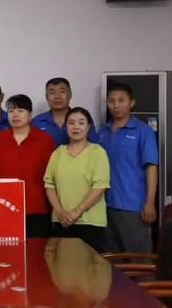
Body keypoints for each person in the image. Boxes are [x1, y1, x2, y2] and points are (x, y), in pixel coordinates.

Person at [98, 84, 158, 255]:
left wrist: (149, 203)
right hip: (104, 206)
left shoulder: (143, 131)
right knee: (111, 261)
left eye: (121, 100)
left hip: (133, 207)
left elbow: (151, 167)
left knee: (138, 260)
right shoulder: (102, 131)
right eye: (111, 101)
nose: (116, 105)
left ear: (131, 103)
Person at [44, 107, 110, 252]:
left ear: (88, 127)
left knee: (87, 264)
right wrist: (59, 211)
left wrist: (76, 211)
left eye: (81, 123)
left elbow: (100, 185)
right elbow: (49, 184)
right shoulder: (58, 153)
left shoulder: (97, 152)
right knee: (62, 263)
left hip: (90, 222)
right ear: (66, 126)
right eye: (71, 122)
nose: (76, 127)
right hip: (61, 221)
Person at [0, 94, 56, 238]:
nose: (15, 115)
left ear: (30, 114)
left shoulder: (44, 140)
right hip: (5, 207)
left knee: (36, 248)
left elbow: (52, 176)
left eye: (20, 111)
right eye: (11, 111)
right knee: (8, 248)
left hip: (37, 207)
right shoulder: (0, 139)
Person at [32, 78, 98, 147]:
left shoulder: (83, 119)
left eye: (62, 92)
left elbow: (94, 146)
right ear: (46, 97)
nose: (57, 96)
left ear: (70, 95)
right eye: (52, 93)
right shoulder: (36, 122)